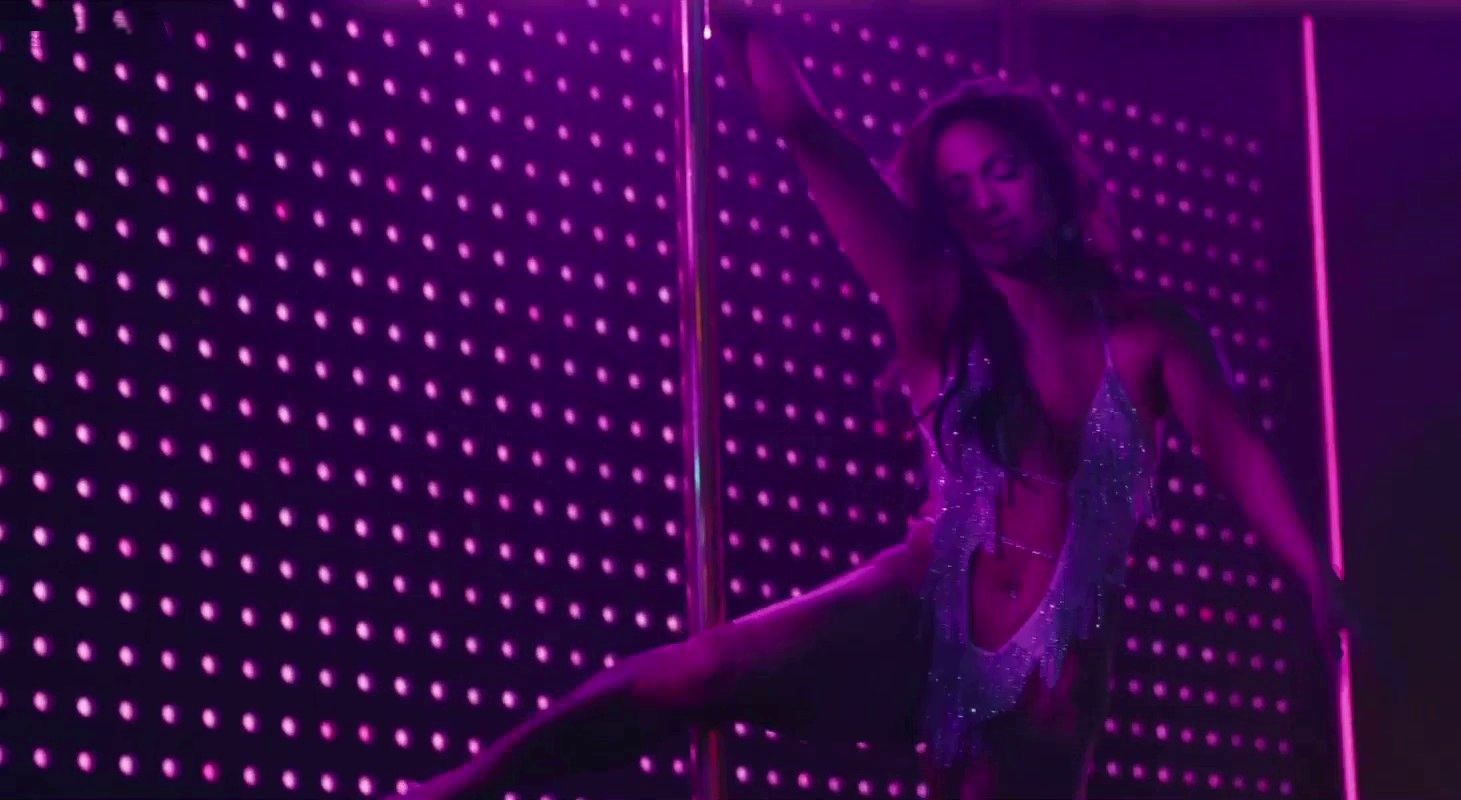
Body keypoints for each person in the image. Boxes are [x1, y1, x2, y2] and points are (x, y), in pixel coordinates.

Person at [392, 11, 1345, 800]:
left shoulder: (1147, 335)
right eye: (959, 188)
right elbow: (807, 133)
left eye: (1002, 171)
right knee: (702, 670)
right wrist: (743, 27)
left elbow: (1235, 447)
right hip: (920, 608)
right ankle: (462, 787)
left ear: (1050, 173)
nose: (986, 201)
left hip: (1056, 658)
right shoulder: (936, 297)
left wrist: (1315, 577)